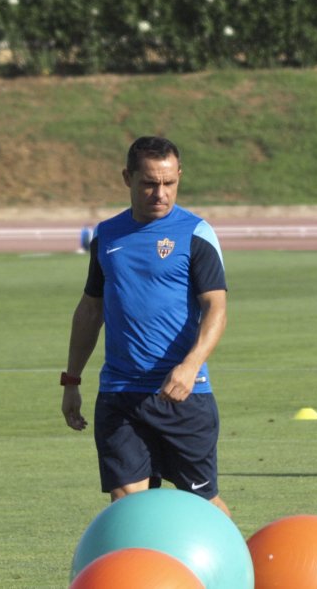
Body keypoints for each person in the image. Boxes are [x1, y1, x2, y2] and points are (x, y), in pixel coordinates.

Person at [61, 135, 231, 516]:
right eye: (149, 183)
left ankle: (233, 572)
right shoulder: (106, 235)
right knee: (128, 507)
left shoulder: (196, 233)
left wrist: (190, 367)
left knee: (201, 508)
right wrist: (72, 380)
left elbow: (216, 309)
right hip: (120, 393)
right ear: (127, 178)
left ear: (179, 177)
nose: (160, 193)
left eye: (169, 183)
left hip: (184, 394)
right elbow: (91, 310)